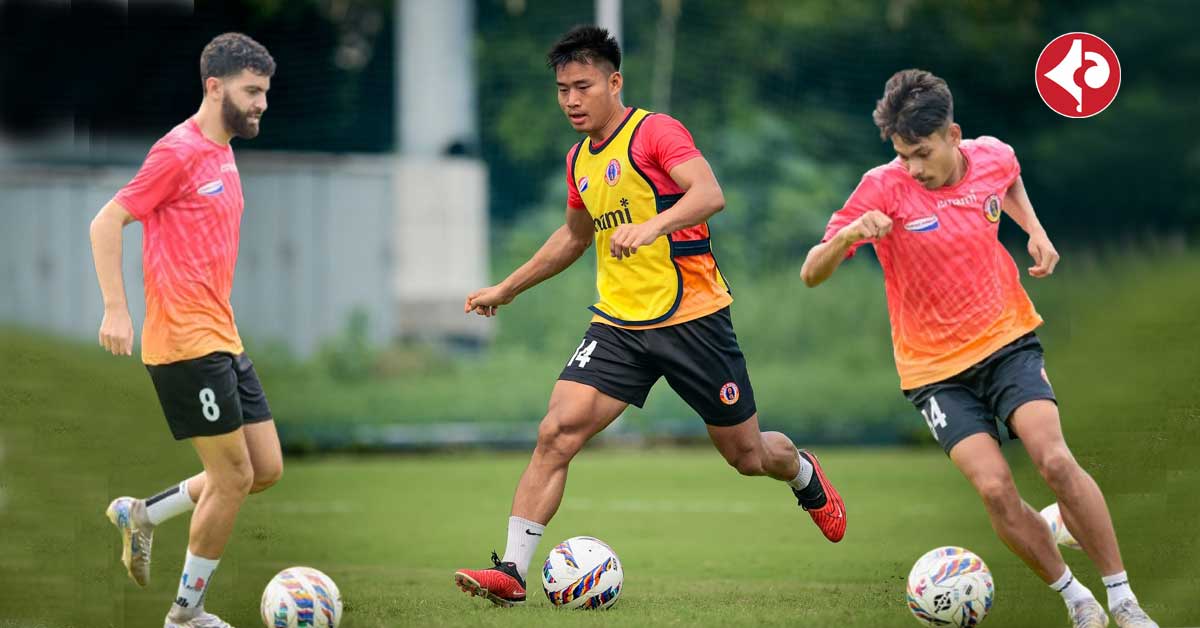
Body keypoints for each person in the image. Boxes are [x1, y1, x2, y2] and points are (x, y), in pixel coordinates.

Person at [452, 25, 846, 608]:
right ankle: (511, 572)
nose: (571, 101)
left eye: (582, 87)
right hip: (619, 325)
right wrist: (507, 289)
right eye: (562, 89)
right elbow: (573, 237)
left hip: (694, 320)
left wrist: (654, 226)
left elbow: (709, 194)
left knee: (747, 456)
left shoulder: (655, 132)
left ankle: (803, 473)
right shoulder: (579, 161)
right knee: (555, 434)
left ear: (614, 82)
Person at [800, 69, 1157, 628]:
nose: (913, 167)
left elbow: (1008, 179)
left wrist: (1034, 230)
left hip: (1007, 339)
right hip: (934, 371)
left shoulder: (992, 154)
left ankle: (1125, 601)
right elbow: (810, 274)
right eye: (903, 154)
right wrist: (846, 236)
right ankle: (1077, 599)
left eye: (921, 152)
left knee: (1056, 461)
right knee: (994, 489)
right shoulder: (881, 188)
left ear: (953, 134)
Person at [90, 32, 281, 628]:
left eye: (265, 93)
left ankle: (143, 514)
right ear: (214, 86)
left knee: (265, 469)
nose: (261, 104)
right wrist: (116, 309)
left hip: (224, 337)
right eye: (252, 91)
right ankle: (185, 615)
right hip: (182, 343)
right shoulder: (177, 150)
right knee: (232, 478)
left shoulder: (224, 151)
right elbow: (107, 221)